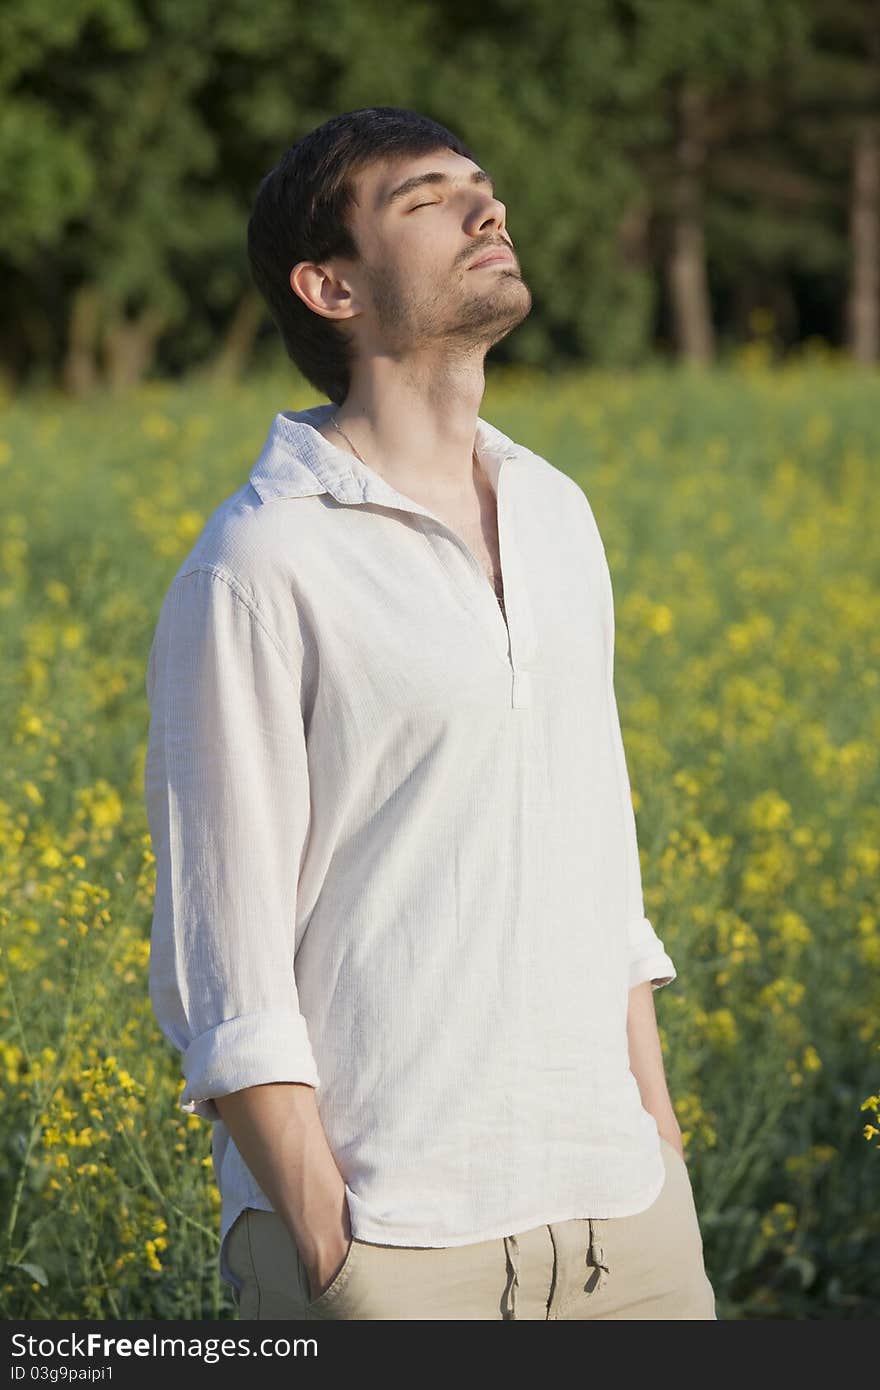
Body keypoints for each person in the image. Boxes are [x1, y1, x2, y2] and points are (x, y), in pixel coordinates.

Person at [144, 106, 716, 1321]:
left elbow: (595, 850)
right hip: (395, 1243)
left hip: (628, 1224)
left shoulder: (557, 512)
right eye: (427, 198)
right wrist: (332, 1244)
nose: (485, 208)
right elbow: (222, 956)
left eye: (483, 185)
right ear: (329, 285)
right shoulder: (258, 564)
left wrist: (653, 1131)